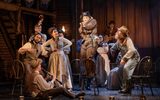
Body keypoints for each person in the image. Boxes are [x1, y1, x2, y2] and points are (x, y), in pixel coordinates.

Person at [110, 26, 140, 93]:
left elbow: (132, 50)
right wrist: (111, 50)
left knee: (126, 68)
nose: (116, 33)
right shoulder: (118, 41)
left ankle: (127, 88)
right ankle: (124, 87)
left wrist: (124, 58)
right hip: (127, 59)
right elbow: (113, 48)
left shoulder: (128, 40)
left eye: (118, 32)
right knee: (119, 71)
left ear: (121, 34)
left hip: (133, 57)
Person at [78, 11, 99, 90]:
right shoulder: (82, 24)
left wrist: (83, 25)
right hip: (85, 41)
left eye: (86, 17)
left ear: (89, 17)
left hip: (92, 40)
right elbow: (80, 31)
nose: (85, 19)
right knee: (83, 59)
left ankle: (89, 80)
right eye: (84, 18)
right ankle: (84, 80)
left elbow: (89, 26)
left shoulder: (93, 21)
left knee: (89, 59)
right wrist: (82, 30)